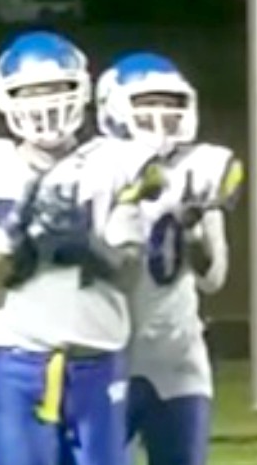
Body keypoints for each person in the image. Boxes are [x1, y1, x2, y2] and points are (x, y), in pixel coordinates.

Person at [0, 30, 163, 465]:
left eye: (56, 89)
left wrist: (88, 247)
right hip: (17, 359)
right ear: (5, 99)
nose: (44, 105)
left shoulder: (116, 162)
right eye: (30, 93)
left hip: (95, 359)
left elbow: (132, 270)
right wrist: (9, 240)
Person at [96, 52, 243, 465]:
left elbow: (213, 278)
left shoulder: (199, 168)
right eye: (146, 105)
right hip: (107, 354)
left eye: (170, 104)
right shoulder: (94, 170)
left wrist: (193, 225)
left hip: (178, 357)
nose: (161, 116)